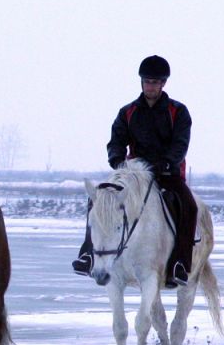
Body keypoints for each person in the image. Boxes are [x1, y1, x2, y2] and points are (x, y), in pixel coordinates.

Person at [72, 55, 197, 287]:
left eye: (155, 82)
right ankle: (88, 253)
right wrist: (117, 160)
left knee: (188, 205)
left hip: (166, 174)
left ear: (163, 84)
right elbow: (116, 141)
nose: (150, 86)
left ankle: (180, 263)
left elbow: (181, 143)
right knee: (98, 199)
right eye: (147, 81)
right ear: (141, 82)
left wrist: (167, 162)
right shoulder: (127, 112)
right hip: (134, 176)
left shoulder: (178, 112)